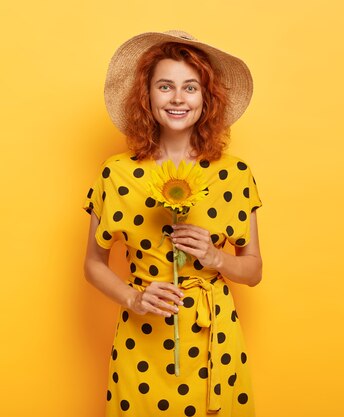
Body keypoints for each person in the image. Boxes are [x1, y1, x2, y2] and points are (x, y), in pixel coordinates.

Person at [83, 30, 262, 417]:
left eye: (190, 87)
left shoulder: (236, 174)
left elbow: (253, 270)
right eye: (165, 86)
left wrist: (216, 258)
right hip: (141, 344)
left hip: (215, 339)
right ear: (147, 96)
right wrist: (133, 298)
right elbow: (93, 264)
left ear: (206, 98)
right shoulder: (115, 173)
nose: (178, 98)